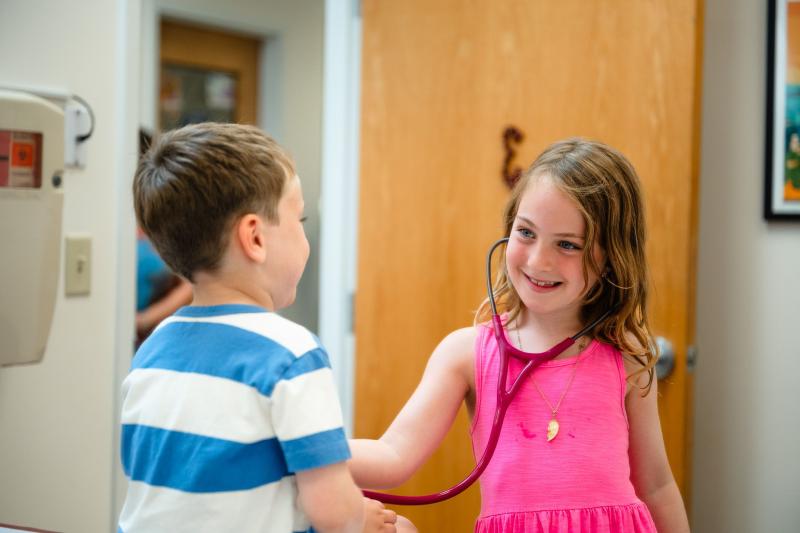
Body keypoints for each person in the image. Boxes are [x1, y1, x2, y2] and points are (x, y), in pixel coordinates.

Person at [349, 138, 690, 532]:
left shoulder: (625, 356)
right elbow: (392, 454)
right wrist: (298, 449)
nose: (538, 260)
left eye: (567, 245)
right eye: (526, 233)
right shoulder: (466, 355)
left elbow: (657, 485)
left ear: (612, 256)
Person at [119, 122, 406, 533]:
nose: (304, 234)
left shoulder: (152, 350)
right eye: (299, 217)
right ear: (254, 237)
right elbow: (334, 513)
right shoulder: (290, 354)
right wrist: (363, 518)